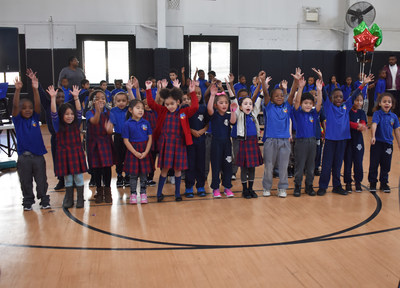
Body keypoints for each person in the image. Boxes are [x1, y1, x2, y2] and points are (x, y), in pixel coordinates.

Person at [316, 69, 374, 196]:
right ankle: (323, 186)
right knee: (326, 165)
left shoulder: (346, 106)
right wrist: (321, 78)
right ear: (331, 98)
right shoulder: (328, 106)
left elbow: (355, 94)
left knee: (337, 164)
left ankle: (337, 186)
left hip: (342, 140)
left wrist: (363, 84)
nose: (338, 98)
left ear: (343, 99)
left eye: (340, 97)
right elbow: (324, 94)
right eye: (336, 97)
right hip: (330, 140)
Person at [146, 80, 199, 202]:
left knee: (178, 170)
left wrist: (192, 92)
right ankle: (159, 194)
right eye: (167, 104)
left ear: (178, 102)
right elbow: (151, 103)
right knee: (164, 169)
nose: (169, 106)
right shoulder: (163, 111)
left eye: (172, 104)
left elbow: (195, 107)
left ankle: (177, 194)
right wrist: (148, 89)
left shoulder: (183, 112)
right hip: (166, 144)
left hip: (179, 144)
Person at [12, 75, 50, 210]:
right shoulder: (17, 120)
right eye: (24, 108)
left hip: (38, 157)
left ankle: (44, 199)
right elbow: (15, 105)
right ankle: (28, 201)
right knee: (25, 181)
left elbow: (38, 104)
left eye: (30, 107)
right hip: (24, 158)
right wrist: (17, 90)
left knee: (41, 181)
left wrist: (35, 89)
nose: (28, 109)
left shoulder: (35, 117)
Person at [49, 85, 87, 208]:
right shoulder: (57, 126)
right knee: (68, 179)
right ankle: (69, 198)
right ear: (61, 116)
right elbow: (53, 113)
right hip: (64, 154)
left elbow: (79, 111)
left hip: (76, 153)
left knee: (78, 177)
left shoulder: (76, 124)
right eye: (66, 114)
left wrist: (76, 98)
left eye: (71, 114)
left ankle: (80, 198)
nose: (70, 116)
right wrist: (53, 98)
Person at [27, 68, 65, 190]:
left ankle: (70, 179)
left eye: (62, 97)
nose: (60, 99)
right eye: (58, 97)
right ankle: (61, 179)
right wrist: (36, 84)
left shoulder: (66, 107)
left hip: (66, 138)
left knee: (67, 159)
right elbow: (41, 93)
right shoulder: (48, 105)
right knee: (57, 159)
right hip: (55, 138)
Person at [229, 80, 263, 199]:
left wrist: (263, 88)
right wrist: (229, 87)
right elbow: (233, 99)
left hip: (253, 142)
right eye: (245, 104)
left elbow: (258, 101)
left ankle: (251, 188)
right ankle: (244, 190)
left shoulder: (254, 113)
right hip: (243, 142)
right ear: (240, 106)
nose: (248, 105)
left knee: (252, 167)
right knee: (244, 168)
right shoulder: (238, 113)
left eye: (250, 104)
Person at [261, 70, 293, 198]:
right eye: (276, 96)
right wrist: (263, 81)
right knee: (269, 165)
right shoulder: (269, 107)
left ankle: (282, 188)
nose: (279, 97)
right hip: (270, 141)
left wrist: (295, 82)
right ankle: (266, 187)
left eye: (281, 95)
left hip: (284, 140)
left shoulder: (287, 107)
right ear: (272, 99)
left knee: (284, 166)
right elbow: (265, 93)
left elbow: (289, 97)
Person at [293, 77, 323, 197]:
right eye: (305, 103)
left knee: (311, 167)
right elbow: (296, 102)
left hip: (312, 142)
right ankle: (297, 186)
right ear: (301, 104)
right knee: (300, 166)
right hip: (301, 142)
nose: (308, 105)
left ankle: (309, 186)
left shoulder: (313, 113)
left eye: (310, 103)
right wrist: (300, 88)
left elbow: (319, 103)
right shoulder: (298, 112)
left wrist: (319, 90)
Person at [207, 84, 237, 198]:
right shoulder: (214, 114)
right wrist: (212, 95)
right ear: (216, 105)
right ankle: (215, 188)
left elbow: (233, 122)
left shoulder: (228, 116)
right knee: (216, 166)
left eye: (226, 102)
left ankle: (227, 187)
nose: (224, 105)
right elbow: (209, 109)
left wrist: (233, 111)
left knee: (227, 166)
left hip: (226, 144)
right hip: (216, 144)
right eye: (221, 103)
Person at [86, 90, 115, 204]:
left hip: (105, 142)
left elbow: (110, 129)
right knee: (96, 169)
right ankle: (99, 190)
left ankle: (108, 192)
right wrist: (98, 111)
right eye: (97, 98)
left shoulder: (109, 113)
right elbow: (94, 121)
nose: (100, 100)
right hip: (93, 143)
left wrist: (109, 129)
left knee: (107, 168)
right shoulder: (90, 112)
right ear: (92, 101)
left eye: (102, 98)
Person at [368, 93, 400, 193]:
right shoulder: (377, 114)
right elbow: (374, 125)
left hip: (388, 145)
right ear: (380, 103)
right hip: (377, 143)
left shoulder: (394, 116)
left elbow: (397, 130)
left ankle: (384, 183)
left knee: (386, 165)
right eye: (384, 101)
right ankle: (372, 183)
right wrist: (373, 137)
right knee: (374, 164)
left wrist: (399, 143)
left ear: (392, 104)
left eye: (389, 102)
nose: (387, 103)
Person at [123, 99, 153, 204]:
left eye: (142, 108)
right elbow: (126, 140)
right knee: (133, 175)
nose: (141, 110)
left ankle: (143, 193)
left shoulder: (146, 123)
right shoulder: (127, 124)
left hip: (144, 150)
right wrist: (135, 152)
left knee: (144, 174)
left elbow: (150, 138)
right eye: (138, 108)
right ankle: (133, 194)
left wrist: (146, 152)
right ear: (131, 110)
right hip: (133, 151)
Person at [184, 84, 209, 198]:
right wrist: (191, 130)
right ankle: (189, 186)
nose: (197, 95)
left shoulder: (204, 108)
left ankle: (200, 186)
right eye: (195, 93)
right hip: (189, 142)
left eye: (199, 93)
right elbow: (182, 124)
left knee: (201, 164)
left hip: (201, 140)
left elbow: (207, 124)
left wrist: (202, 130)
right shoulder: (185, 109)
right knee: (190, 164)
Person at [343, 93, 367, 193]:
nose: (358, 102)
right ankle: (348, 183)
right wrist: (357, 125)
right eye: (356, 100)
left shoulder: (361, 112)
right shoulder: (347, 111)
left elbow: (363, 124)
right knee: (348, 162)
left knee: (358, 162)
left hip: (358, 141)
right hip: (348, 140)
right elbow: (346, 123)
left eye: (360, 100)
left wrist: (361, 126)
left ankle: (358, 182)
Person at [111, 91, 131, 188]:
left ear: (127, 101)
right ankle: (119, 176)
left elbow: (135, 101)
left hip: (129, 138)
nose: (121, 103)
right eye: (118, 101)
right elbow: (110, 124)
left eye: (123, 100)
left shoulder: (129, 110)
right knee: (118, 158)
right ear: (115, 102)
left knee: (128, 157)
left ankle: (127, 176)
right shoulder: (113, 111)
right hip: (118, 137)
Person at [142, 98, 158, 186]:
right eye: (145, 104)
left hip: (154, 141)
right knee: (145, 160)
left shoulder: (155, 112)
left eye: (149, 104)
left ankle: (150, 177)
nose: (147, 106)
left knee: (153, 159)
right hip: (145, 141)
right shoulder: (143, 114)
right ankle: (144, 178)